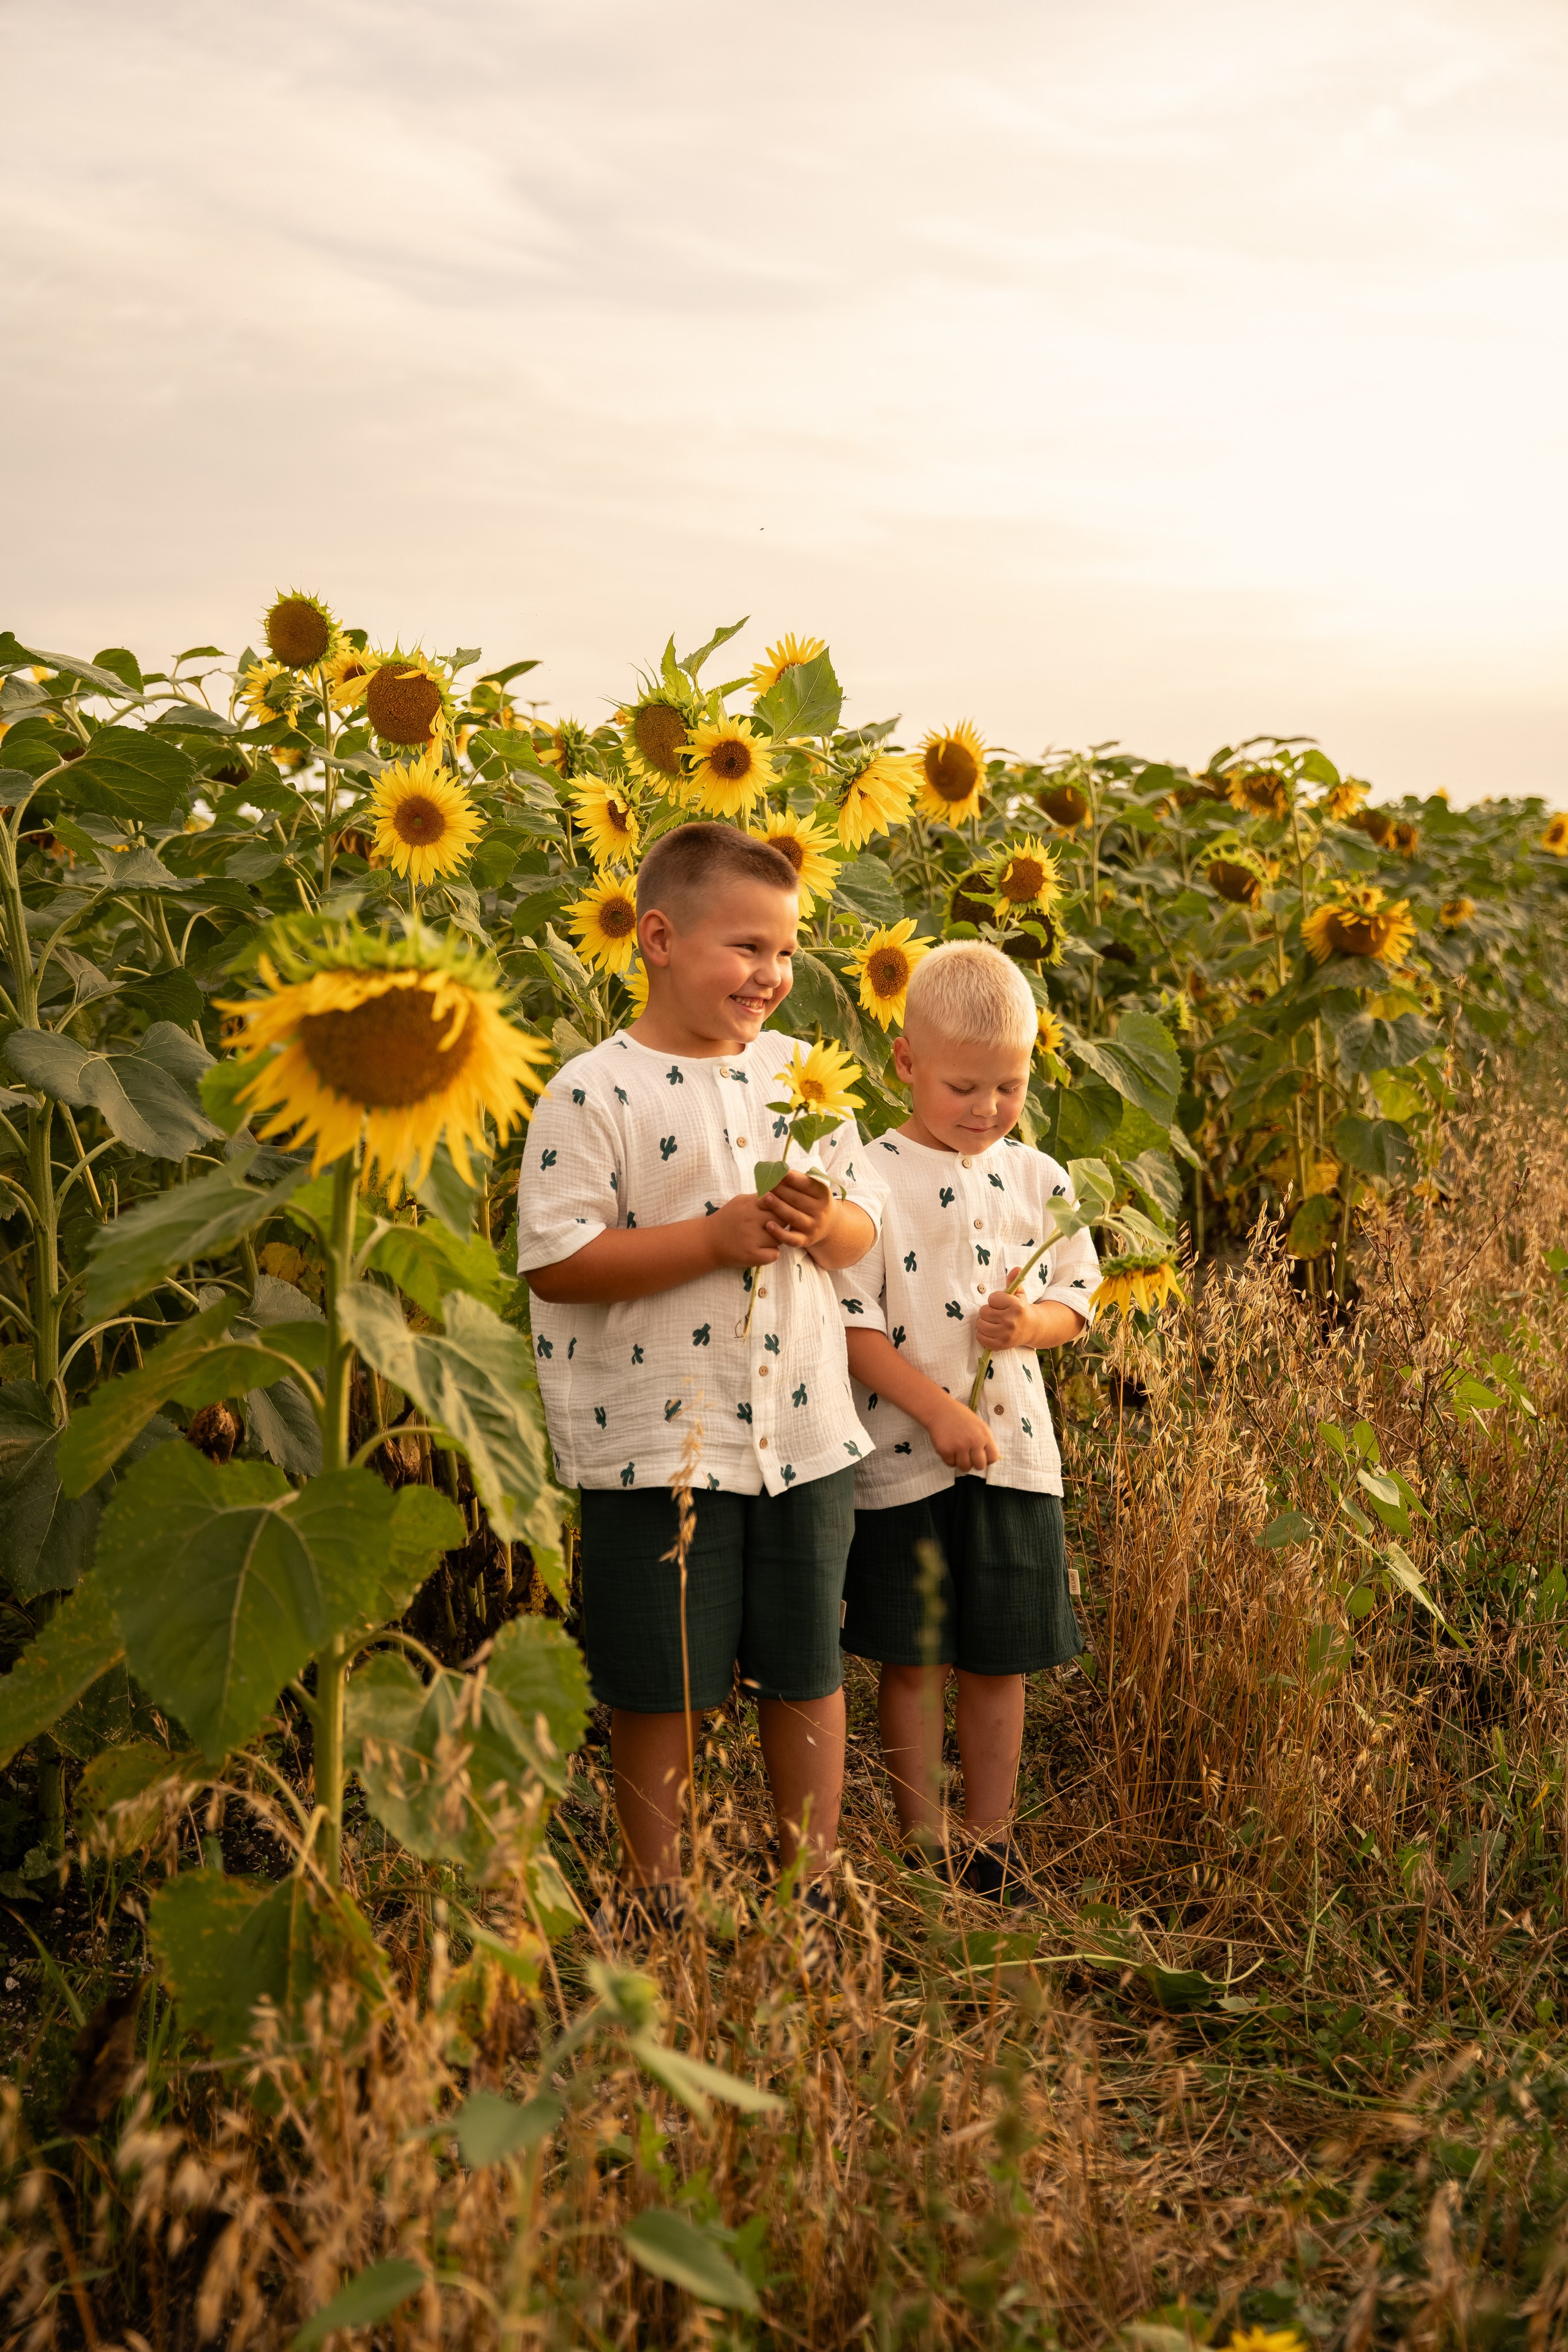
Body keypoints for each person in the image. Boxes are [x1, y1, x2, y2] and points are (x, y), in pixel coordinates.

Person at [516, 821, 883, 1942]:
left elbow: (864, 1233)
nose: (772, 976)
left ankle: (810, 1881)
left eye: (785, 954)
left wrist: (831, 1221)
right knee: (659, 1679)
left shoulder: (804, 1079)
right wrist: (712, 1239)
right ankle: (655, 1894)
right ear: (660, 938)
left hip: (803, 1426)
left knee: (806, 1664)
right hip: (650, 1436)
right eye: (747, 948)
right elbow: (559, 1262)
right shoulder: (594, 1092)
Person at [836, 941, 1098, 1903]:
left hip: (1018, 1460)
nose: (986, 1108)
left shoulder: (1041, 1178)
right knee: (913, 1658)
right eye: (963, 1086)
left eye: (1009, 1085)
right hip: (905, 1463)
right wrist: (938, 1408)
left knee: (1000, 1661)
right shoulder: (871, 1177)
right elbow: (852, 1327)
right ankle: (920, 1838)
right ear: (905, 1064)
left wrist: (1028, 1323)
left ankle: (991, 1843)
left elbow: (1080, 1299)